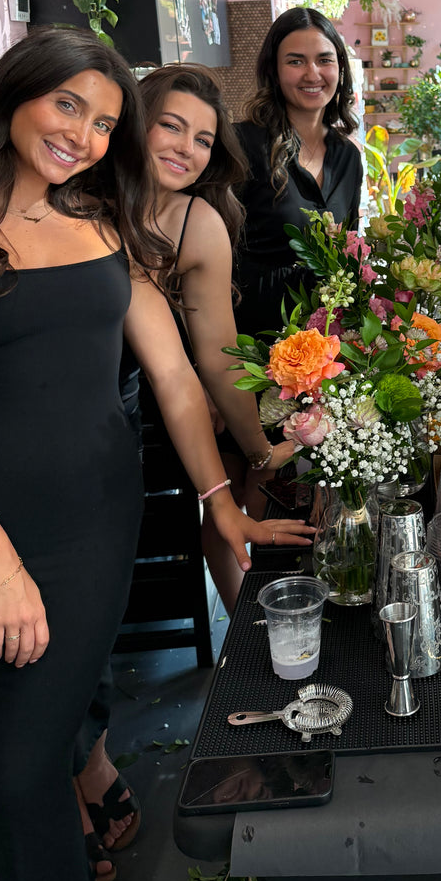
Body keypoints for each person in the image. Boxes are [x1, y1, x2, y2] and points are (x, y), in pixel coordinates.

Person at [0, 28, 308, 881]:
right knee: (20, 779)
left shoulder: (102, 228)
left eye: (105, 122)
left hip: (97, 524)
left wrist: (222, 501)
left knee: (37, 763)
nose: (85, 136)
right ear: (14, 95)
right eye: (69, 106)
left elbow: (180, 382)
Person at [138, 63, 309, 607]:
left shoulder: (198, 223)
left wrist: (263, 452)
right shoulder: (80, 209)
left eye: (204, 139)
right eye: (170, 126)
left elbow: (212, 360)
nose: (187, 148)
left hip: (145, 405)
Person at [233, 7, 362, 340]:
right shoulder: (241, 144)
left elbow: (345, 253)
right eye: (295, 61)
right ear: (274, 71)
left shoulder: (348, 157)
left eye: (324, 60)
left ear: (340, 68)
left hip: (322, 344)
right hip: (250, 337)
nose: (312, 73)